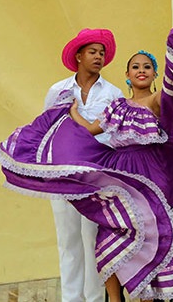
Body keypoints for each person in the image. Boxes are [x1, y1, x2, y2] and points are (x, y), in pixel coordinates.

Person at [0, 23, 173, 301]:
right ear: (127, 74)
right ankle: (113, 298)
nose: (140, 71)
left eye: (147, 67)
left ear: (154, 74)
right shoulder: (113, 104)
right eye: (135, 67)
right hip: (117, 172)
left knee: (148, 231)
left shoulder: (156, 98)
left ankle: (146, 296)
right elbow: (88, 129)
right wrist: (71, 113)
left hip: (150, 172)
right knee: (107, 234)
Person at [46, 28, 124, 302]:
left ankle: (93, 299)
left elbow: (116, 136)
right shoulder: (58, 90)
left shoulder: (114, 93)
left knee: (93, 239)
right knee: (67, 240)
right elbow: (47, 129)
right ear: (79, 56)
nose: (98, 57)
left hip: (98, 176)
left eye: (102, 53)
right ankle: (71, 299)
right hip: (63, 175)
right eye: (93, 52)